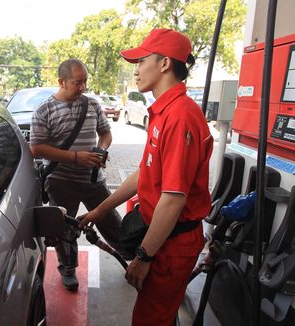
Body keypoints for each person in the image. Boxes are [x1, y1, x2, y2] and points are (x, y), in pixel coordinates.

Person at [79, 28, 213, 325]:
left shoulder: (180, 116)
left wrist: (144, 258)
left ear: (164, 63)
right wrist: (100, 211)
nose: (136, 71)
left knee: (150, 319)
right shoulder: (163, 112)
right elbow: (145, 173)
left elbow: (173, 200)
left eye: (141, 61)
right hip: (159, 238)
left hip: (170, 246)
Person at [30, 58, 126, 292]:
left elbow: (105, 133)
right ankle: (68, 269)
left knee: (112, 222)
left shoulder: (92, 105)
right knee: (65, 230)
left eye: (84, 81)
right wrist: (75, 157)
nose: (82, 87)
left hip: (93, 180)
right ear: (61, 82)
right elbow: (37, 148)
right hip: (61, 182)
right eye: (76, 82)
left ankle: (130, 256)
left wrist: (101, 150)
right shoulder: (44, 110)